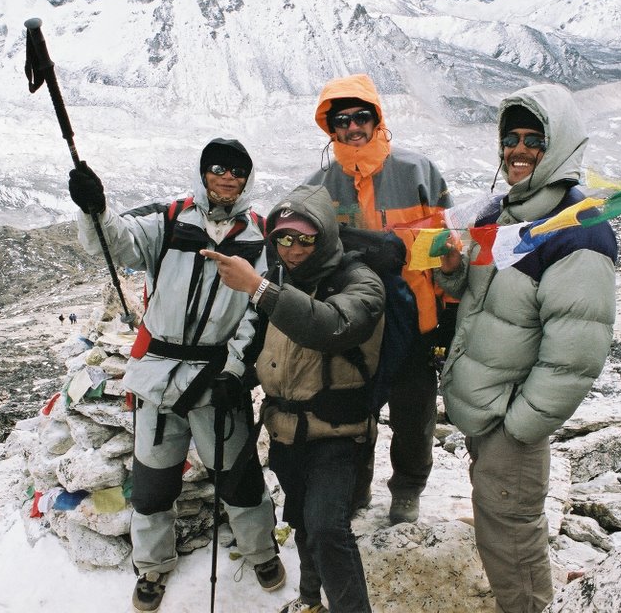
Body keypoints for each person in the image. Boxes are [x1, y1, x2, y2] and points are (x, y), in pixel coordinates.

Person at [68, 138, 284, 612]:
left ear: (247, 179)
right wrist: (94, 208)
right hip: (161, 376)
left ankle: (262, 553)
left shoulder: (259, 235)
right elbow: (114, 242)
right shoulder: (168, 220)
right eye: (218, 168)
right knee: (153, 481)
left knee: (239, 476)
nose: (227, 178)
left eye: (237, 171)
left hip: (217, 378)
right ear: (203, 172)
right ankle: (151, 568)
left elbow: (257, 309)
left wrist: (233, 369)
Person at [434, 84, 617, 613]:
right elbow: (481, 298)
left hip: (508, 424)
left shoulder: (576, 232)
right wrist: (453, 275)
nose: (517, 150)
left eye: (533, 139)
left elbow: (576, 356)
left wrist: (518, 427)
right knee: (501, 531)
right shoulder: (501, 212)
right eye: (510, 138)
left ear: (558, 146)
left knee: (511, 542)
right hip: (486, 411)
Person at [203, 184, 384, 613]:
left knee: (326, 529)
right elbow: (271, 349)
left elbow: (331, 326)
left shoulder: (360, 281)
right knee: (304, 524)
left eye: (306, 238)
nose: (294, 248)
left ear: (325, 237)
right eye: (284, 237)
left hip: (339, 431)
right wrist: (237, 377)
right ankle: (310, 601)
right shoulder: (281, 281)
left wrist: (259, 289)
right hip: (288, 432)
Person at [305, 73, 453, 524]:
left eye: (361, 117)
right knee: (353, 414)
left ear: (377, 118)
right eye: (341, 119)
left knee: (414, 414)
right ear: (330, 128)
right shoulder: (318, 186)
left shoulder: (417, 171)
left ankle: (408, 488)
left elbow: (449, 245)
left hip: (416, 317)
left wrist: (447, 316)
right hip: (354, 323)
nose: (352, 127)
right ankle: (356, 488)